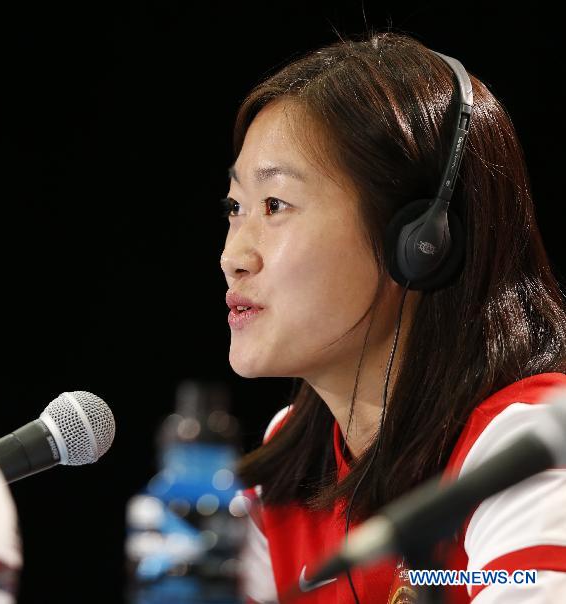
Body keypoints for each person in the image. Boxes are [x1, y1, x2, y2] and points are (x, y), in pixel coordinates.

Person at [219, 31, 566, 603]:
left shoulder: (528, 448)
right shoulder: (286, 470)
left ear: (420, 240)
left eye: (274, 206)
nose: (233, 257)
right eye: (236, 208)